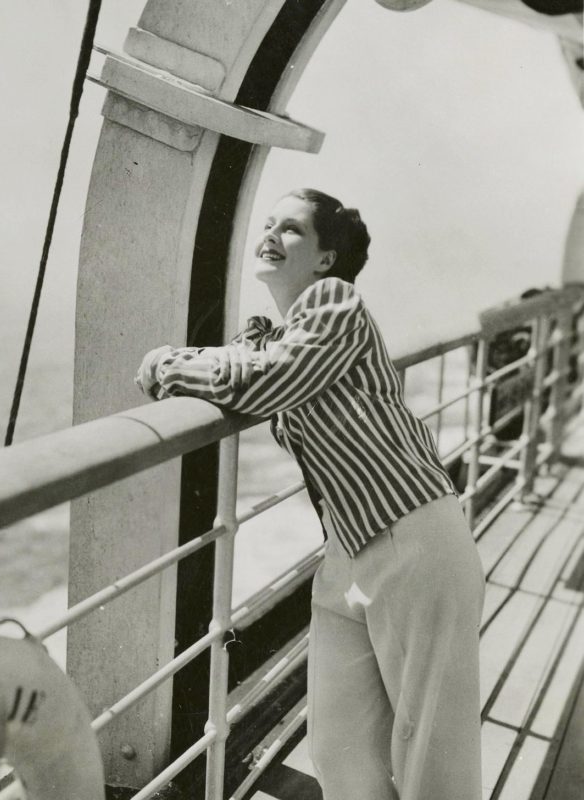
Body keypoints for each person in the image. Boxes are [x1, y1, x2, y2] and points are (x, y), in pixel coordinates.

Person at [136, 188, 486, 800]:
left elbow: (263, 383)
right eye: (268, 223)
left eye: (292, 229)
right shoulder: (281, 331)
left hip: (414, 539)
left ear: (325, 259)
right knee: (340, 747)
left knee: (432, 754)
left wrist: (167, 364)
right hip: (349, 547)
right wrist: (204, 360)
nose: (270, 234)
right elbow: (247, 363)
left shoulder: (335, 303)